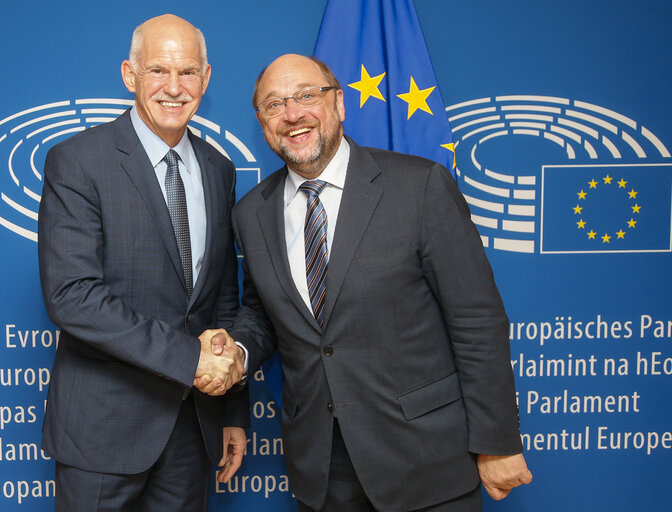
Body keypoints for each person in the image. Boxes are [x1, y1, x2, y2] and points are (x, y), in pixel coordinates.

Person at [227, 54, 532, 512]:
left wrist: (498, 441)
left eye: (307, 96)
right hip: (323, 470)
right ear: (262, 121)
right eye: (275, 105)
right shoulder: (251, 212)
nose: (293, 114)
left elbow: (477, 320)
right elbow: (264, 312)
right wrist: (236, 350)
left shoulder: (420, 186)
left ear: (340, 103)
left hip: (424, 461)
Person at [37, 14, 247, 512]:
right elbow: (72, 297)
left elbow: (221, 298)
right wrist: (189, 358)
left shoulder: (219, 170)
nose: (174, 88)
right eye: (158, 71)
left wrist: (232, 405)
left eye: (188, 72)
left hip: (194, 430)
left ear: (207, 77)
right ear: (130, 75)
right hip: (102, 434)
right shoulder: (78, 161)